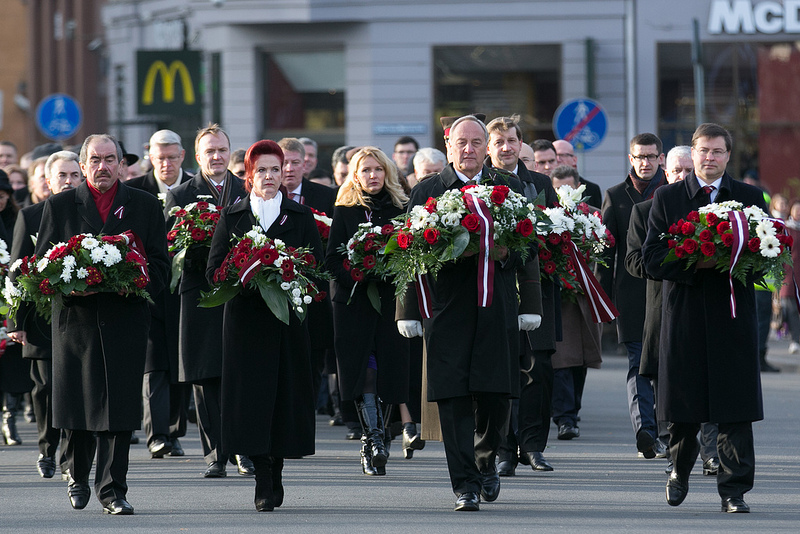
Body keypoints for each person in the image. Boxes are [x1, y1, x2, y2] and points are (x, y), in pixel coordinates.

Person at [396, 115, 541, 511]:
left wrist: (531, 303)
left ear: (487, 146)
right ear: (449, 145)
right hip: (446, 310)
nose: (469, 149)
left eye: (477, 142)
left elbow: (530, 249)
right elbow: (408, 251)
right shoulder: (428, 190)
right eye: (462, 142)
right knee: (453, 399)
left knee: (496, 397)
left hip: (496, 308)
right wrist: (406, 311)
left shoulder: (508, 188)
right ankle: (465, 485)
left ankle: (486, 458)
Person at [34, 134, 169, 515]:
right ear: (84, 164)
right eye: (96, 160)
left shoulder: (143, 205)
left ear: (121, 165)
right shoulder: (60, 206)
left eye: (111, 160)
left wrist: (127, 278)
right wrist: (76, 282)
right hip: (75, 323)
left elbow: (160, 265)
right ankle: (76, 475)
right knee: (77, 404)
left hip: (124, 320)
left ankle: (113, 490)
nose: (104, 167)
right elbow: (43, 267)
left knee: (119, 408)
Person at [643, 123, 766, 513]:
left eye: (717, 151)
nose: (710, 158)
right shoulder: (668, 198)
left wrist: (739, 260)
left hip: (732, 316)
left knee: (735, 409)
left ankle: (734, 491)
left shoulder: (748, 196)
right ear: (692, 154)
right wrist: (698, 260)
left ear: (729, 155)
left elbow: (766, 257)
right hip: (685, 317)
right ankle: (678, 470)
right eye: (703, 151)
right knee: (683, 408)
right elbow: (650, 258)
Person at [206, 139, 321, 512]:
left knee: (283, 399)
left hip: (286, 324)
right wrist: (242, 272)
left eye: (275, 169)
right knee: (250, 402)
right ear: (249, 175)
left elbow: (315, 269)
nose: (269, 177)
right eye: (261, 171)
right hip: (245, 326)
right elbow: (213, 270)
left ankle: (277, 467)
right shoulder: (232, 216)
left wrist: (286, 272)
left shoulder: (300, 216)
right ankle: (260, 474)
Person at [625, 145, 720, 476]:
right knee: (669, 384)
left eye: (685, 170)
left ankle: (711, 453)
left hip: (704, 308)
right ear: (667, 174)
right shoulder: (646, 210)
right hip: (662, 307)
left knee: (708, 379)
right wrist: (679, 259)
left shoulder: (712, 211)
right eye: (676, 171)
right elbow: (636, 261)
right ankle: (674, 448)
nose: (681, 176)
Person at [164, 124, 249, 478]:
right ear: (197, 157)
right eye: (209, 151)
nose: (216, 156)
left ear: (230, 153)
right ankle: (215, 453)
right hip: (198, 292)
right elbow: (170, 246)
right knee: (205, 376)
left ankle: (242, 448)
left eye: (222, 150)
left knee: (240, 373)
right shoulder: (180, 194)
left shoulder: (247, 190)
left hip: (241, 294)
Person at [325, 147, 410, 476]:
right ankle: (372, 439)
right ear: (355, 175)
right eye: (365, 170)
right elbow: (332, 259)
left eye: (378, 169)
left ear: (387, 172)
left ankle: (379, 441)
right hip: (352, 302)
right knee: (364, 370)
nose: (372, 175)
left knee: (390, 370)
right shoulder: (345, 208)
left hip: (390, 299)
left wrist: (388, 268)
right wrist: (358, 273)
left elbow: (409, 251)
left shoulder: (400, 207)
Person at [484, 115, 556, 476]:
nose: (506, 148)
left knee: (539, 371)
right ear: (488, 148)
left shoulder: (540, 183)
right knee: (500, 372)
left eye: (512, 141)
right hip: (495, 289)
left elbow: (557, 234)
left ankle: (533, 447)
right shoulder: (479, 184)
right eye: (499, 142)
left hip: (536, 289)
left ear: (521, 144)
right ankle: (502, 450)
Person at [6, 151, 81, 476]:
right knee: (46, 386)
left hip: (77, 318)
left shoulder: (86, 214)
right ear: (48, 181)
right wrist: (15, 321)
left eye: (73, 175)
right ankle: (47, 449)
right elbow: (17, 272)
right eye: (61, 176)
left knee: (72, 388)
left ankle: (68, 456)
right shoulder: (32, 215)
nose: (67, 181)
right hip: (40, 319)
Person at [597, 132, 667, 460]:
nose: (646, 163)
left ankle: (667, 429)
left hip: (667, 295)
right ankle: (645, 430)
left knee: (667, 364)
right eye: (640, 157)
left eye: (651, 157)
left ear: (660, 159)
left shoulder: (673, 193)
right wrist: (603, 298)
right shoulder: (615, 195)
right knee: (637, 364)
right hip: (630, 296)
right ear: (631, 159)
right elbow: (607, 252)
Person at [127, 129, 193, 458]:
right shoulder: (134, 191)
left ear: (183, 156)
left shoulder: (195, 189)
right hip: (149, 285)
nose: (166, 163)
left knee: (180, 359)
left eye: (172, 157)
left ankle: (176, 430)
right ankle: (157, 434)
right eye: (159, 157)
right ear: (149, 158)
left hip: (184, 288)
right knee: (154, 362)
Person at [548, 165, 602, 440]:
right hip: (558, 295)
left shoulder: (592, 217)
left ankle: (572, 412)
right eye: (559, 189)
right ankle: (565, 418)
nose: (564, 194)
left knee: (580, 360)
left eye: (570, 189)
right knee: (561, 360)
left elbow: (602, 251)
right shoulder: (547, 217)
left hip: (584, 294)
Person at [552, 139, 603, 208]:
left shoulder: (592, 189)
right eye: (554, 156)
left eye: (562, 155)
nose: (558, 159)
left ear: (574, 159)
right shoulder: (543, 186)